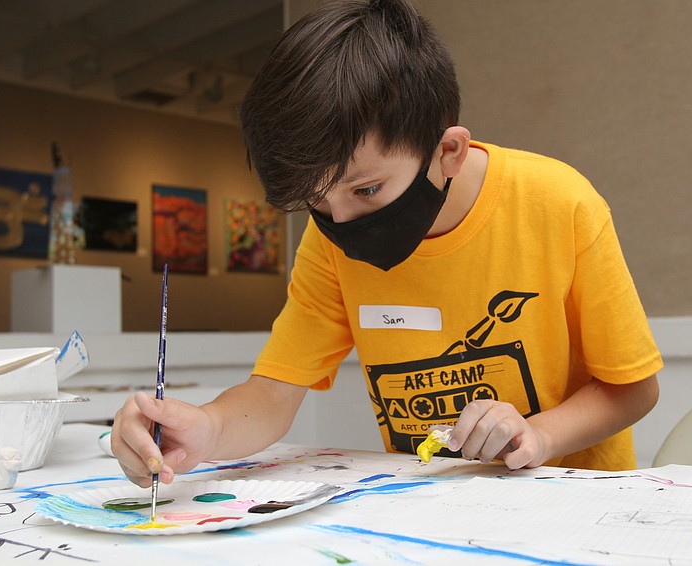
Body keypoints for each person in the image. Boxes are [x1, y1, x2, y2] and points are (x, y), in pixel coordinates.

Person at [112, 0, 662, 487]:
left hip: (577, 504)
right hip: (429, 511)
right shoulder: (329, 238)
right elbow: (274, 395)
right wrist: (203, 429)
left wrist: (537, 436)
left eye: (368, 189)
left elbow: (633, 388)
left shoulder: (557, 203)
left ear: (447, 151)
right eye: (318, 201)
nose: (343, 222)